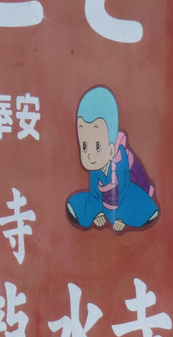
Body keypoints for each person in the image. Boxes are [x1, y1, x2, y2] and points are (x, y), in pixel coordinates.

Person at [66, 86, 158, 232]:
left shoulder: (121, 160)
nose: (89, 154)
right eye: (84, 146)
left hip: (125, 196)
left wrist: (120, 217)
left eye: (97, 146)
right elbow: (95, 194)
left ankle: (129, 213)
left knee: (136, 203)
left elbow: (124, 189)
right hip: (105, 201)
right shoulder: (97, 169)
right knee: (85, 204)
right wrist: (98, 214)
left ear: (110, 148)